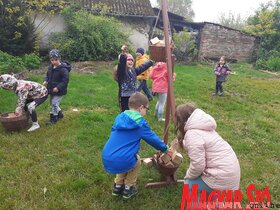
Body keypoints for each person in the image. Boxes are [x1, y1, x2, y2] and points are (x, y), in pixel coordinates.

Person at [102, 92, 169, 201]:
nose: (146, 112)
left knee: (124, 158)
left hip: (107, 156)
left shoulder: (120, 117)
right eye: (147, 109)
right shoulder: (140, 124)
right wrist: (165, 148)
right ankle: (129, 188)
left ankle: (117, 187)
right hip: (123, 159)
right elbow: (152, 139)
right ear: (141, 108)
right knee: (136, 161)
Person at [174, 103, 240, 206]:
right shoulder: (204, 126)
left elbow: (198, 165)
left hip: (222, 177)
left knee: (190, 184)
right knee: (207, 186)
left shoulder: (192, 134)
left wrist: (188, 175)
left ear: (181, 121)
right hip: (231, 172)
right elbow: (200, 144)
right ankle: (215, 205)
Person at [43, 49, 71, 124]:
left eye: (56, 60)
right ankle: (60, 114)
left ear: (59, 59)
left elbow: (65, 80)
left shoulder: (63, 69)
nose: (54, 62)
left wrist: (58, 87)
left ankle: (54, 118)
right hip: (51, 89)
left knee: (54, 103)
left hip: (59, 90)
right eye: (52, 60)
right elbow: (47, 75)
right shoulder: (50, 68)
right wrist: (46, 80)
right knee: (53, 103)